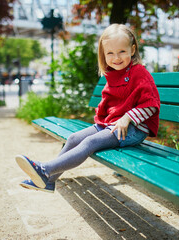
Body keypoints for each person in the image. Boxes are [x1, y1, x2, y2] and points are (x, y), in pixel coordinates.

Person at [16, 24, 160, 193]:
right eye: (110, 53)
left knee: (90, 142)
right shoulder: (113, 73)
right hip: (113, 124)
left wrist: (127, 118)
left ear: (133, 49)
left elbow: (151, 104)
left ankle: (44, 169)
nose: (116, 58)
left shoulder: (139, 73)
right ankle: (49, 181)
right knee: (74, 138)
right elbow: (112, 101)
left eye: (122, 51)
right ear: (104, 54)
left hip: (133, 128)